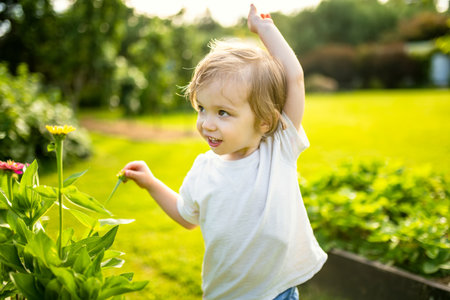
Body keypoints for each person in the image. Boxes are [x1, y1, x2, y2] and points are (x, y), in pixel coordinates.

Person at [121, 4, 327, 300]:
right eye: (202, 108)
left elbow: (294, 78)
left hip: (275, 294)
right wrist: (151, 182)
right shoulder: (204, 169)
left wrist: (265, 28)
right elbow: (187, 216)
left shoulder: (278, 150)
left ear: (263, 121)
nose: (207, 123)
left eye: (223, 113)